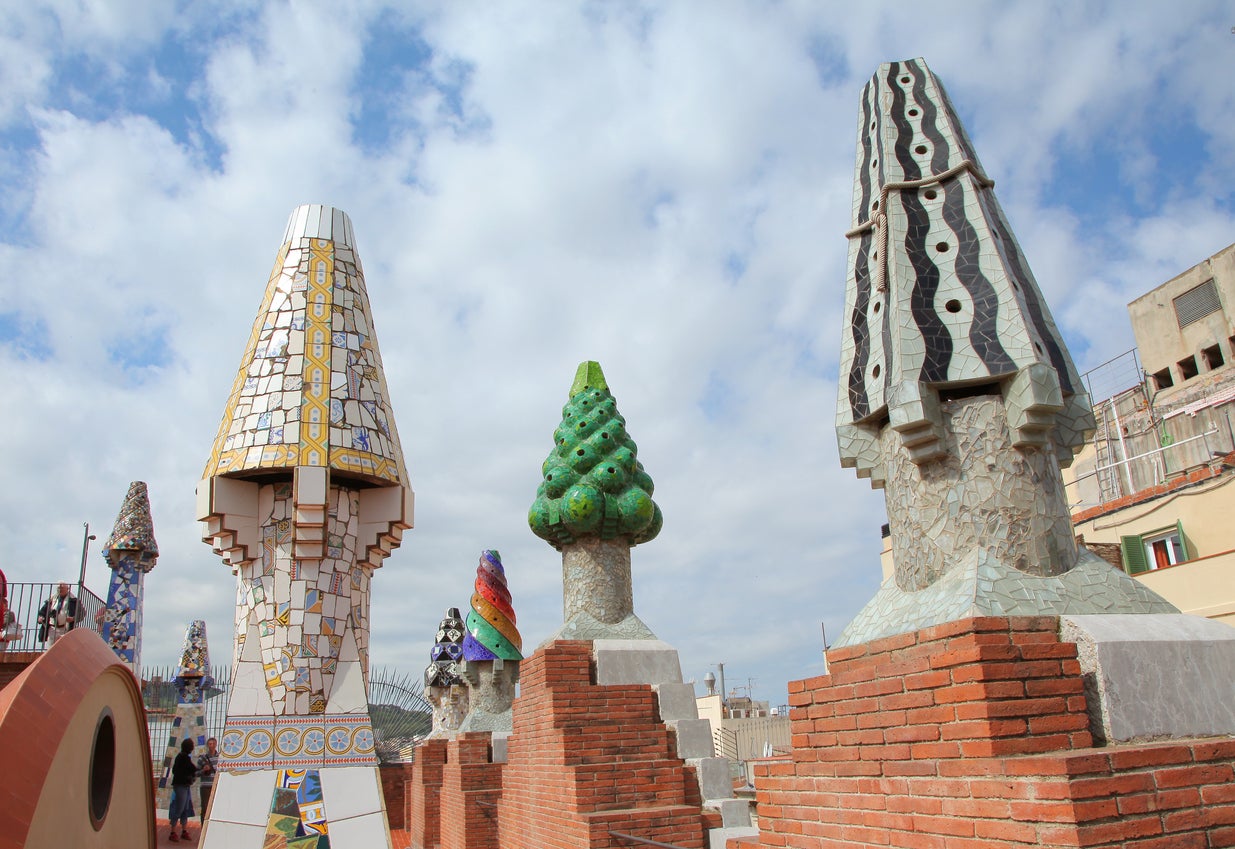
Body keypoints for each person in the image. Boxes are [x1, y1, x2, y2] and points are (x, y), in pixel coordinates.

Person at [168, 738, 197, 842]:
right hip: (181, 785)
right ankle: (173, 831)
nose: (193, 747)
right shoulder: (183, 757)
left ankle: (184, 831)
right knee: (179, 809)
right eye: (192, 745)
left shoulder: (182, 757)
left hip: (184, 785)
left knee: (185, 808)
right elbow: (192, 769)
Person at [36, 582, 78, 647]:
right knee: (51, 648)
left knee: (64, 647)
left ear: (67, 589)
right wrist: (41, 617)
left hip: (65, 628)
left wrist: (73, 618)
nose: (60, 590)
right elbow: (43, 611)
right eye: (58, 588)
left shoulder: (73, 600)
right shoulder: (52, 599)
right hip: (52, 628)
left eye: (62, 588)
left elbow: (80, 613)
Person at [196, 737, 218, 824]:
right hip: (205, 787)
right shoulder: (202, 758)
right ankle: (203, 827)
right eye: (209, 744)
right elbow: (196, 773)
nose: (211, 746)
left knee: (215, 808)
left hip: (215, 786)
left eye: (212, 744)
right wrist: (203, 770)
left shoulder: (219, 758)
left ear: (216, 745)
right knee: (205, 808)